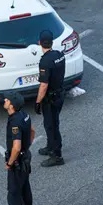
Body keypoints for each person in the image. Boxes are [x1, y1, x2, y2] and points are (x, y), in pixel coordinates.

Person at [0, 92, 35, 205]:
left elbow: (16, 146)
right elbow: (32, 131)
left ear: (12, 105)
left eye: (6, 100)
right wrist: (27, 147)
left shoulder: (14, 122)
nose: (4, 101)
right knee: (25, 187)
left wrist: (10, 163)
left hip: (18, 162)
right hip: (25, 157)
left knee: (13, 193)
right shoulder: (24, 115)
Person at [35, 30, 66, 167]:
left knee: (51, 126)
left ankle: (56, 156)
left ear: (40, 43)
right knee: (53, 123)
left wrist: (37, 101)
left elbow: (43, 85)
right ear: (52, 42)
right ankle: (50, 146)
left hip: (50, 98)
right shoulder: (59, 55)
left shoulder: (45, 61)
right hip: (59, 95)